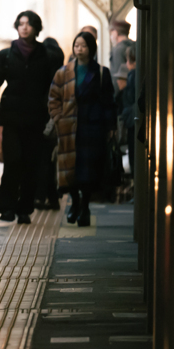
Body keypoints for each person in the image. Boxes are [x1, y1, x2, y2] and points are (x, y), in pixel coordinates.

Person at [0, 11, 57, 224]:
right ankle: (6, 207)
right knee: (13, 161)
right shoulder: (6, 55)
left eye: (29, 24)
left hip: (36, 119)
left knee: (31, 164)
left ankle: (25, 208)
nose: (24, 28)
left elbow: (53, 85)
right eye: (21, 24)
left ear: (36, 28)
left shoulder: (46, 56)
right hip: (12, 118)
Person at [48, 32, 117, 227]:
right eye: (76, 45)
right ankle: (74, 202)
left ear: (91, 49)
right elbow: (54, 97)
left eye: (83, 46)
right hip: (68, 127)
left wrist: (111, 126)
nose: (79, 49)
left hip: (92, 127)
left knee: (88, 170)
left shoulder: (101, 72)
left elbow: (108, 102)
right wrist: (58, 118)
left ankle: (84, 206)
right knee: (70, 168)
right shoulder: (63, 72)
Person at [35, 37, 66, 211]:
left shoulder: (40, 71)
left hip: (39, 119)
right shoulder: (61, 74)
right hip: (55, 121)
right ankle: (54, 198)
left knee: (40, 160)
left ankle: (39, 196)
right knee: (51, 160)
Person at [120, 46, 138, 181]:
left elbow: (130, 99)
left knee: (134, 154)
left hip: (133, 120)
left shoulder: (132, 75)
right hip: (136, 118)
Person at [109, 19, 134, 85]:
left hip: (122, 91)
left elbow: (118, 76)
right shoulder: (133, 45)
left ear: (115, 32)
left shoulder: (118, 50)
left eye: (111, 33)